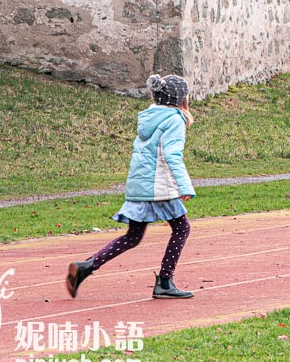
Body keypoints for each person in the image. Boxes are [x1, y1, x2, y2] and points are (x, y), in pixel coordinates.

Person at [66, 74, 197, 299]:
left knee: (132, 237)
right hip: (157, 187)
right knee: (182, 228)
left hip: (139, 185)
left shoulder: (149, 117)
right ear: (180, 99)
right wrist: (184, 186)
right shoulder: (174, 120)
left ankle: (86, 267)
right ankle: (165, 281)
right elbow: (173, 155)